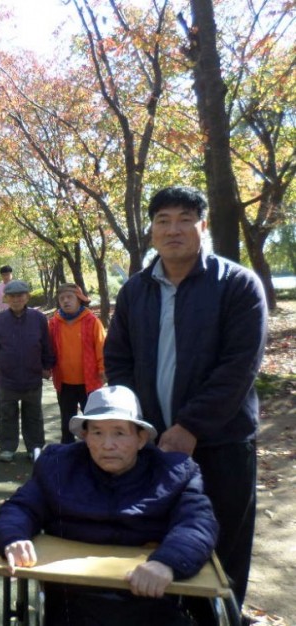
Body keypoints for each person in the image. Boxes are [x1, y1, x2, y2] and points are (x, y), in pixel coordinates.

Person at [104, 186, 267, 609]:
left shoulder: (237, 285)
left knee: (223, 550)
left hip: (221, 443)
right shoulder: (134, 291)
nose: (173, 229)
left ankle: (224, 616)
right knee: (157, 542)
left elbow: (239, 367)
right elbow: (118, 360)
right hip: (153, 445)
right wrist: (139, 425)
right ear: (151, 230)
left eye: (184, 219)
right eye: (163, 220)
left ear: (203, 225)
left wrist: (190, 426)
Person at [0, 385, 218, 626]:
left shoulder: (174, 473)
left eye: (119, 433)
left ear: (141, 438)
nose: (107, 445)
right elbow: (21, 507)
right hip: (72, 601)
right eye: (97, 433)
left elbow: (197, 522)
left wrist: (167, 563)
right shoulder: (58, 467)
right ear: (85, 436)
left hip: (149, 600)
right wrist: (14, 538)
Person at [0, 279, 55, 462]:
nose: (16, 299)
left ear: (27, 297)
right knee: (6, 414)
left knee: (33, 415)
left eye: (20, 296)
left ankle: (35, 447)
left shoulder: (39, 318)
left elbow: (46, 345)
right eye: (12, 296)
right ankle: (7, 447)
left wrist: (47, 366)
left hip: (32, 375)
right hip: (7, 377)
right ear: (6, 299)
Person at [48, 283, 106, 444]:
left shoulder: (92, 321)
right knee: (67, 421)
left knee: (92, 421)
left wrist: (103, 368)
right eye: (62, 298)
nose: (65, 301)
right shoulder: (54, 323)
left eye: (69, 297)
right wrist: (45, 367)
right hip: (64, 382)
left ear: (79, 299)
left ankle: (94, 449)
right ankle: (67, 451)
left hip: (90, 382)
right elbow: (48, 348)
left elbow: (101, 346)